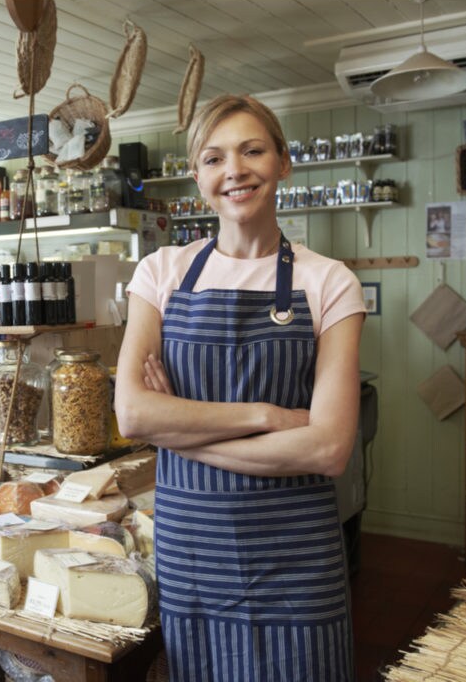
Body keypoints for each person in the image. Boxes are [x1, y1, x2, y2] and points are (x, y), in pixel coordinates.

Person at [115, 94, 365, 681]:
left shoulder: (329, 282)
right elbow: (132, 414)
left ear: (283, 162)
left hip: (296, 556)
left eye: (252, 150)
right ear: (198, 176)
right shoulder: (161, 273)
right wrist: (268, 415)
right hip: (194, 555)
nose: (235, 170)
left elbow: (327, 449)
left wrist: (177, 432)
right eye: (213, 157)